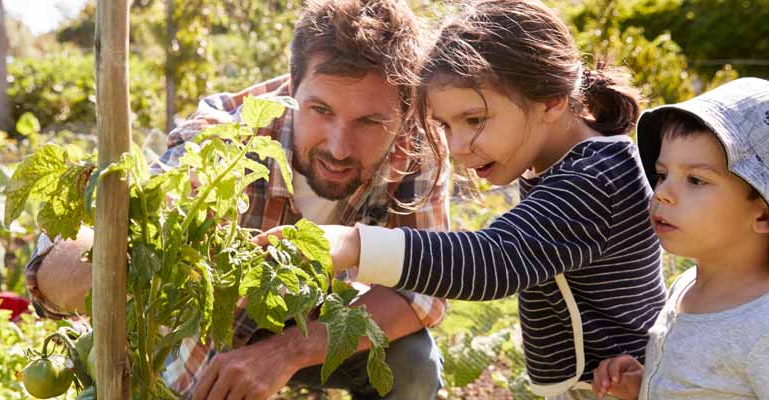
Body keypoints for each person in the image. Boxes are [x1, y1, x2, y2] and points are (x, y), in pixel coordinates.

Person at [24, 1, 451, 398]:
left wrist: (284, 353)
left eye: (370, 121)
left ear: (405, 110)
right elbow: (54, 269)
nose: (339, 147)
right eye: (320, 110)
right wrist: (142, 257)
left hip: (322, 321)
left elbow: (424, 293)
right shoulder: (226, 136)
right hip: (221, 327)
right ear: (291, 86)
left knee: (413, 364)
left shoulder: (418, 148)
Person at [261, 1, 667, 398]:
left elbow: (494, 260)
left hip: (625, 384)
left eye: (474, 120)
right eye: (444, 126)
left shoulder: (594, 179)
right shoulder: (566, 164)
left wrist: (354, 244)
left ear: (552, 100)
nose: (456, 148)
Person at [589, 78, 769, 399]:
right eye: (663, 175)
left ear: (764, 215)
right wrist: (645, 386)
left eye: (695, 180)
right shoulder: (686, 286)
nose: (662, 193)